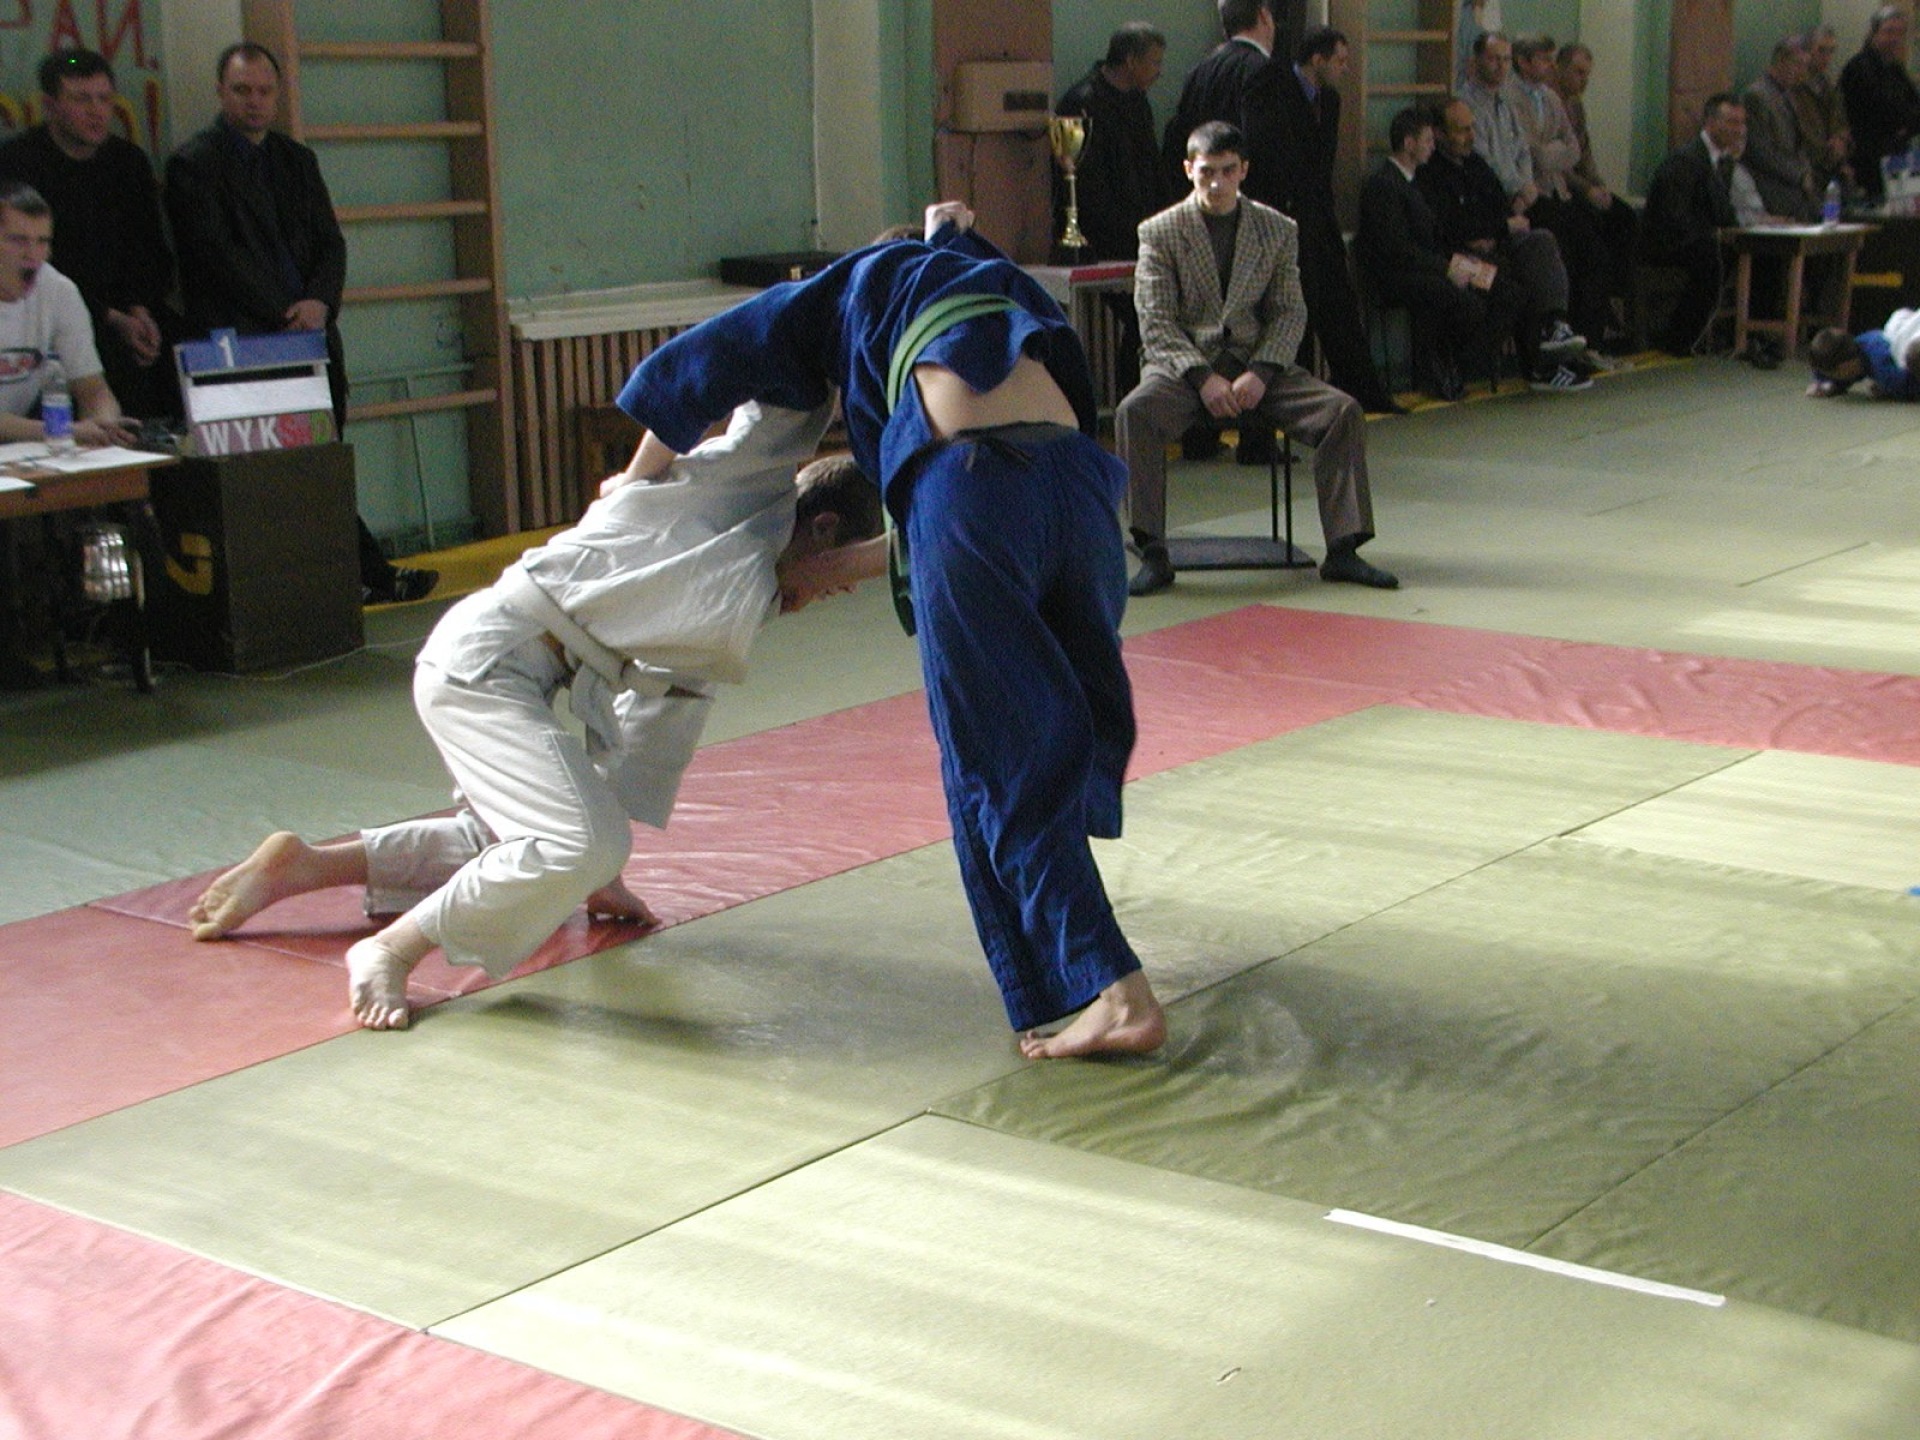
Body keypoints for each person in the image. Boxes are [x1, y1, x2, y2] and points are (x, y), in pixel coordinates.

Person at [607, 201, 1168, 1060]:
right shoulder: (987, 282)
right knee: (1065, 723)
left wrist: (634, 481)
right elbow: (958, 507)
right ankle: (1071, 957)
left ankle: (1112, 990)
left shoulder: (853, 284)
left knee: (996, 758)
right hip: (1083, 488)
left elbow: (700, 364)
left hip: (974, 490)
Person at [188, 403, 884, 1030]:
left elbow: (666, 706)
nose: (830, 594)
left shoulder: (738, 597)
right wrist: (595, 859)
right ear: (823, 529)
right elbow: (743, 398)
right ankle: (393, 949)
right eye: (839, 577)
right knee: (576, 843)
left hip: (515, 669)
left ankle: (308, 866)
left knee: (538, 845)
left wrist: (604, 876)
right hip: (482, 664)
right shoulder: (723, 499)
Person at [165, 42, 437, 606]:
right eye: (242, 90)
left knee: (321, 461)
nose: (255, 101)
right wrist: (284, 314)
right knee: (269, 475)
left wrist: (318, 303)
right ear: (220, 92)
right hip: (243, 346)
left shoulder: (296, 161)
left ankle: (354, 576)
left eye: (265, 91)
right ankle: (367, 574)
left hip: (312, 339)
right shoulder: (194, 164)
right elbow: (215, 256)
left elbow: (330, 244)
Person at [1119, 121, 1395, 598]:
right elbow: (1156, 321)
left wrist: (1263, 372)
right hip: (1185, 367)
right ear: (1188, 170)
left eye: (1227, 171)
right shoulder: (1160, 232)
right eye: (1206, 172)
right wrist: (1202, 378)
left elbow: (1289, 311)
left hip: (1257, 361)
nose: (1217, 183)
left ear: (1244, 170)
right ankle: (1152, 552)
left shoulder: (1277, 229)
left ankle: (1344, 548)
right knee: (1134, 413)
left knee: (1342, 412)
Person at [0, 180, 137, 688]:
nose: (32, 255)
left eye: (42, 242)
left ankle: (117, 634)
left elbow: (92, 387)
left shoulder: (59, 292)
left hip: (22, 447)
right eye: (18, 241)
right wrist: (67, 431)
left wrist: (103, 421)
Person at [0, 49, 178, 421]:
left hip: (128, 307)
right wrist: (112, 317)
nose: (96, 111)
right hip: (53, 305)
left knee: (173, 350)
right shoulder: (18, 163)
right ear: (50, 106)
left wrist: (139, 309)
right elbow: (39, 264)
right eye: (82, 100)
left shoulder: (128, 162)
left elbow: (149, 250)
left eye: (104, 99)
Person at [1241, 24, 1402, 414]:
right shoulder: (1273, 88)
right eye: (1340, 60)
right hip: (1283, 215)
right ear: (1317, 59)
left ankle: (1362, 390)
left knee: (1338, 306)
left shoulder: (1329, 100)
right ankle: (1291, 402)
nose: (1345, 68)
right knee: (1291, 312)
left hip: (1318, 217)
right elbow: (1270, 155)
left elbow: (1321, 163)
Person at [1412, 99, 1590, 392]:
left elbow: (1499, 209)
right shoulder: (1428, 174)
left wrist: (1493, 228)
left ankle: (1554, 326)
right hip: (1455, 261)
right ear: (1439, 134)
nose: (1470, 136)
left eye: (1472, 128)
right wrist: (1495, 227)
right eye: (1461, 130)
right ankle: (1517, 366)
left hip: (1491, 248)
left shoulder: (1476, 164)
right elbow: (1450, 226)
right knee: (1509, 286)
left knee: (1540, 243)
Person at [1641, 94, 1770, 356]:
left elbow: (1724, 214)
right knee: (1710, 258)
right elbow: (1674, 217)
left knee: (1758, 256)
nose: (1738, 130)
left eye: (1742, 123)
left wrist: (1729, 167)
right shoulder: (1686, 160)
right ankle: (1676, 340)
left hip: (1700, 239)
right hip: (1669, 243)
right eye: (1731, 122)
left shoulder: (1722, 162)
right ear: (1710, 123)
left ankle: (1745, 335)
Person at [1055, 22, 1171, 263]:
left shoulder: (1138, 101)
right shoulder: (1083, 103)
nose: (1159, 71)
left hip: (1141, 234)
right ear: (1131, 60)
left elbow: (1151, 164)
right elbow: (1088, 183)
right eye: (1155, 62)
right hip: (1101, 239)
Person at [1553, 41, 1641, 335]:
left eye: (1587, 74)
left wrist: (1598, 183)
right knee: (1591, 239)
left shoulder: (1576, 106)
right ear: (1560, 68)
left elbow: (1584, 152)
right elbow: (1559, 164)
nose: (1584, 81)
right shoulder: (1550, 104)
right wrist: (1586, 190)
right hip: (1563, 188)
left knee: (1625, 217)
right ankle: (1592, 318)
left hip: (1583, 185)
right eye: (1578, 73)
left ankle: (1616, 298)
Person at [1160, 0, 1276, 195]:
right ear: (1263, 15)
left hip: (1203, 192)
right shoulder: (1265, 71)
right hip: (1245, 197)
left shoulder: (1199, 71)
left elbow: (1179, 137)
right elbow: (1266, 145)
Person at [1840, 6, 1920, 201]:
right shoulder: (1858, 68)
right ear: (1873, 34)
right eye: (1889, 32)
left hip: (1897, 158)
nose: (1895, 39)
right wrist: (1901, 124)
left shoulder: (1895, 69)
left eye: (1900, 33)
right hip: (1868, 161)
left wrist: (1904, 127)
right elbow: (1884, 113)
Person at [1744, 37, 1820, 221]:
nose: (1802, 72)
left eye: (1805, 66)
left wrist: (1805, 173)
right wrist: (1799, 176)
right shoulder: (1757, 96)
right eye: (1798, 64)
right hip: (1772, 188)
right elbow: (1761, 152)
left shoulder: (1790, 95)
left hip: (1797, 187)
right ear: (1780, 61)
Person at [1791, 24, 1852, 197]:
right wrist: (1828, 151)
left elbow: (1841, 122)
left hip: (1833, 166)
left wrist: (1841, 140)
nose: (1827, 57)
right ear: (1807, 50)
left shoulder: (1829, 86)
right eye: (1821, 50)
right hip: (1807, 167)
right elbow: (1799, 130)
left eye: (1831, 51)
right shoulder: (1795, 87)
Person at [1806, 312, 1920, 398]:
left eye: (1833, 375)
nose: (1830, 378)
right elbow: (1822, 371)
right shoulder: (1855, 346)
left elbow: (1912, 385)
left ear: (1844, 367)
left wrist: (1889, 391)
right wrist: (1823, 384)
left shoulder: (1884, 370)